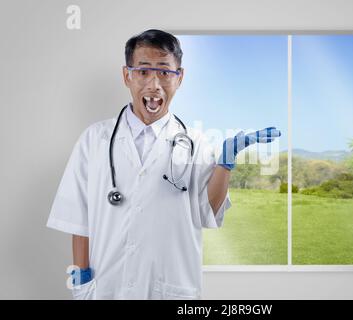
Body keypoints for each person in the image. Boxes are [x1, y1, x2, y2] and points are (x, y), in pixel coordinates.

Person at [46, 29, 281, 300]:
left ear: (179, 78)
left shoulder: (196, 143)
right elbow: (79, 220)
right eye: (143, 72)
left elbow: (208, 212)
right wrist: (82, 281)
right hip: (106, 289)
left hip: (172, 289)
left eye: (165, 72)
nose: (154, 84)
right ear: (127, 76)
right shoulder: (94, 139)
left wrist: (225, 163)